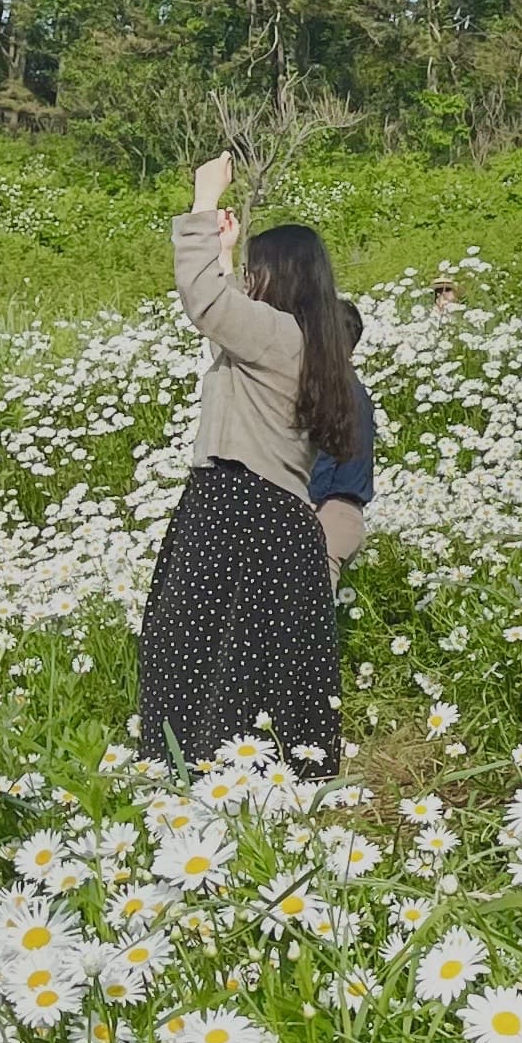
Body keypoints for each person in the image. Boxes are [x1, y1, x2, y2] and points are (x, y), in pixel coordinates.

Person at [134, 154, 357, 774]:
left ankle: (194, 781)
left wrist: (204, 198)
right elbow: (225, 322)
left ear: (278, 277)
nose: (249, 283)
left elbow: (204, 301)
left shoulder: (278, 336)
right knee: (255, 663)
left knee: (196, 652)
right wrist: (227, 253)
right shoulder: (305, 345)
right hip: (278, 521)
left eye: (256, 271)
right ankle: (262, 791)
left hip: (235, 510)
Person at [306, 299, 377, 580]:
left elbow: (324, 456)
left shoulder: (333, 389)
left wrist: (301, 508)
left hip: (327, 515)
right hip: (345, 517)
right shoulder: (353, 387)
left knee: (307, 619)